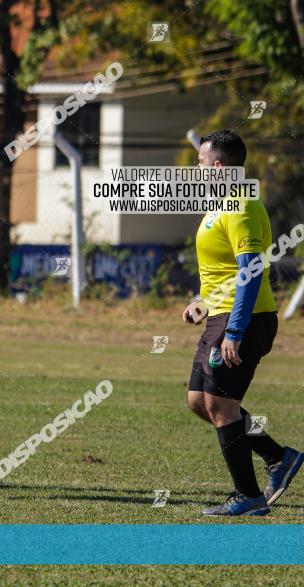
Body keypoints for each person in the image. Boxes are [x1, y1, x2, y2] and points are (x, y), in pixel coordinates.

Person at [183, 130, 302, 516]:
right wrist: (202, 302)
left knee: (220, 404)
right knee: (199, 402)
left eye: (200, 163)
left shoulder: (242, 206)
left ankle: (248, 496)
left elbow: (249, 272)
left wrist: (234, 330)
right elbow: (221, 270)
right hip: (217, 316)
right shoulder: (219, 205)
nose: (196, 170)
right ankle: (277, 456)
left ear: (218, 167)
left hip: (244, 319)